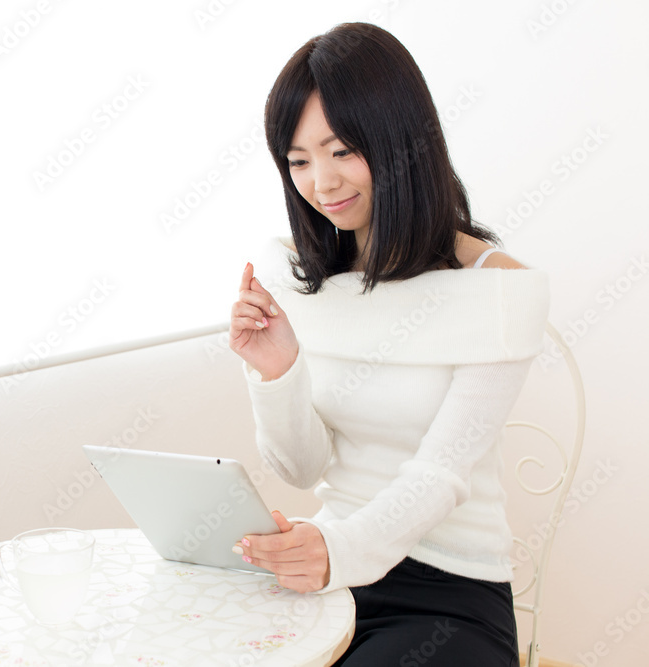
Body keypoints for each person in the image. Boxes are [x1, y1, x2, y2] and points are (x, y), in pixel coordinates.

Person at [228, 22, 550, 667]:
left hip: (446, 590)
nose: (320, 183)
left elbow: (442, 473)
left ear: (402, 139)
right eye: (297, 160)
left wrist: (337, 552)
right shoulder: (299, 272)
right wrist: (277, 371)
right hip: (328, 574)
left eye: (342, 150)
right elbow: (301, 469)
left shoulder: (497, 290)